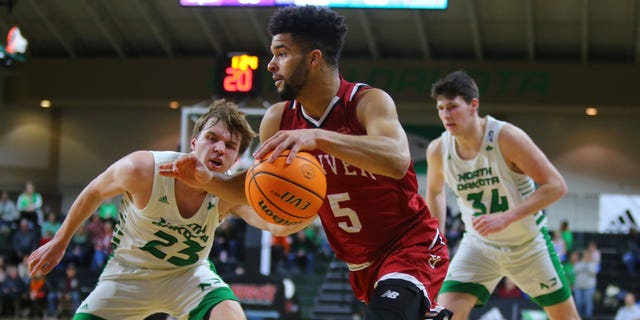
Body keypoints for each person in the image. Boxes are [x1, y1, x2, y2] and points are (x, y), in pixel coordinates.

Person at [160, 6, 451, 320]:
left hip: (411, 244)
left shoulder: (366, 102)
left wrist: (319, 138)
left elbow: (396, 159)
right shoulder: (279, 119)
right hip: (359, 264)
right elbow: (256, 185)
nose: (271, 64)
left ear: (314, 58)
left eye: (281, 54)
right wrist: (207, 181)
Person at [27, 100, 306, 320]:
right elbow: (95, 190)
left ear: (236, 158)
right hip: (128, 274)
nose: (220, 148)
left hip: (187, 275)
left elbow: (277, 225)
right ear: (194, 143)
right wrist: (60, 241)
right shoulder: (143, 169)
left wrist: (313, 209)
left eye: (230, 146)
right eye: (212, 138)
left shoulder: (230, 193)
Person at [425, 70, 579, 320]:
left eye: (452, 107)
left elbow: (556, 186)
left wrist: (506, 217)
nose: (445, 115)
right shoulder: (438, 149)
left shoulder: (506, 137)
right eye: (440, 108)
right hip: (478, 246)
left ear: (473, 105)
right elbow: (434, 191)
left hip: (527, 246)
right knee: (445, 315)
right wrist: (437, 238)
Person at [573, 249, 599, 318]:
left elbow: (593, 272)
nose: (586, 256)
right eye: (585, 255)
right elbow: (575, 270)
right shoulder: (579, 263)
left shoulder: (593, 263)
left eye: (588, 255)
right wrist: (584, 264)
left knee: (588, 304)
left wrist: (587, 265)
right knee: (578, 303)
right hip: (579, 287)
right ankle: (579, 317)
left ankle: (588, 318)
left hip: (589, 287)